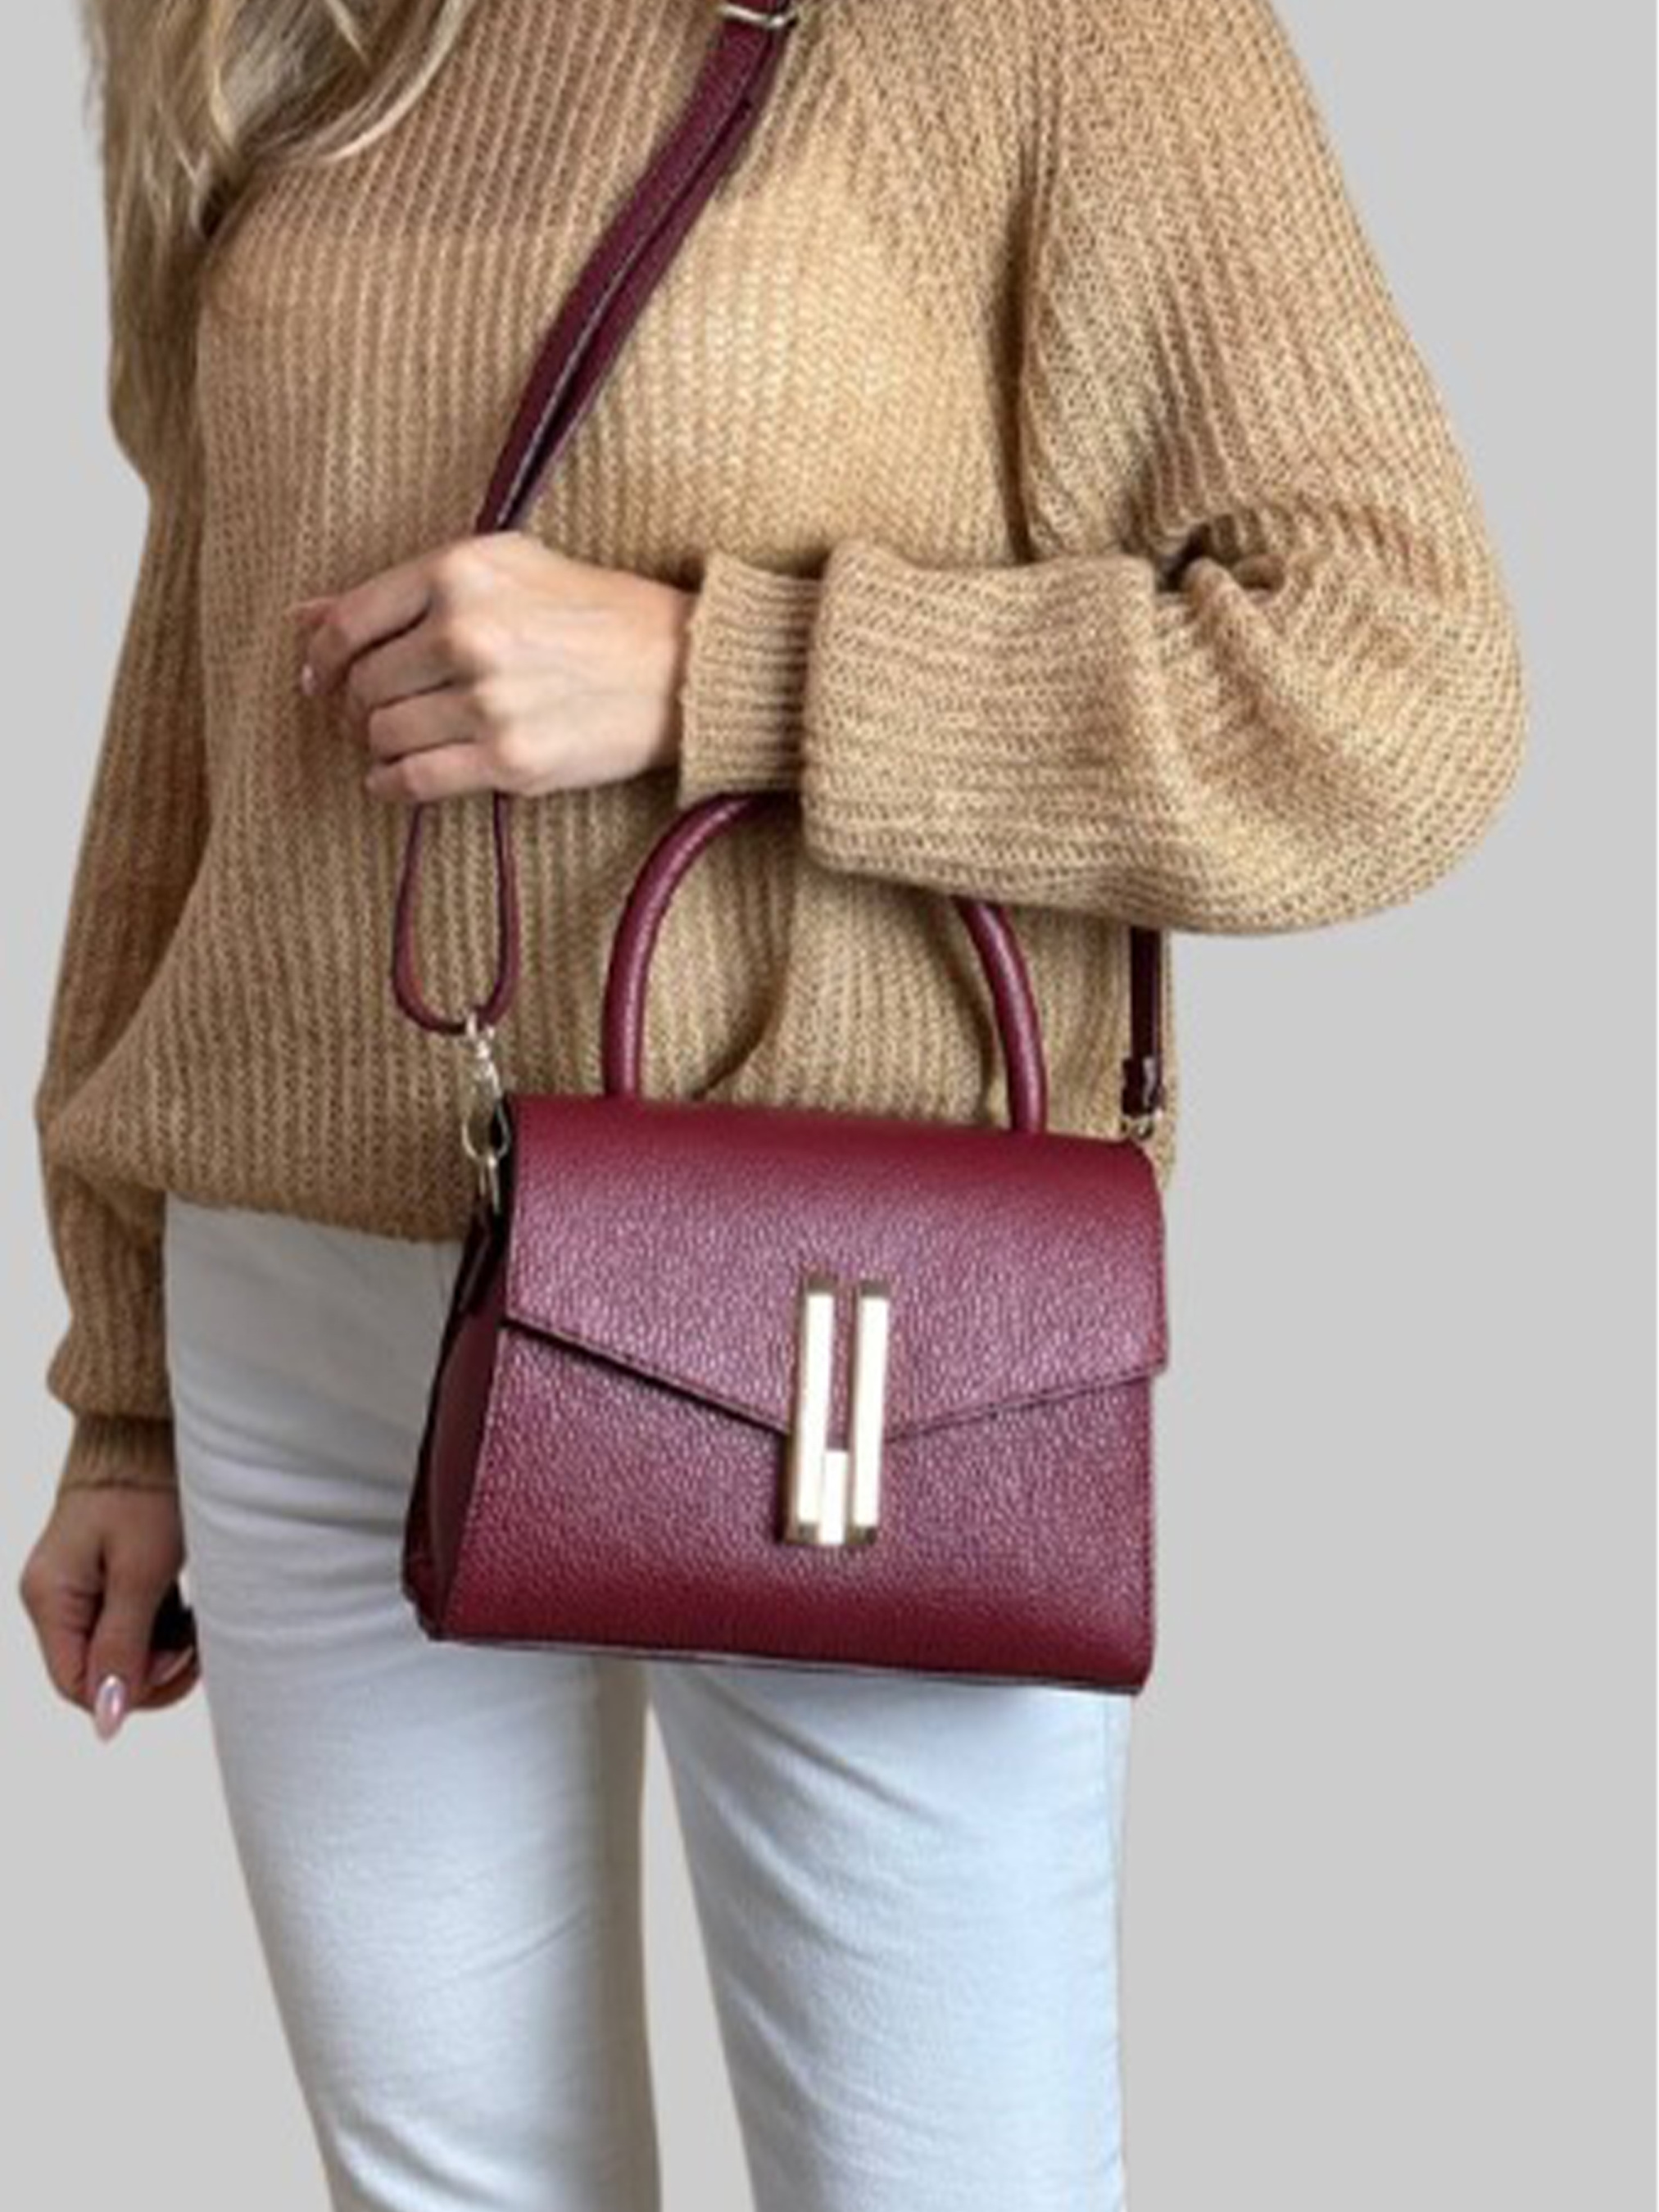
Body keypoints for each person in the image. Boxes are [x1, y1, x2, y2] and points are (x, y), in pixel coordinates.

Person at [16, 2, 1527, 2208]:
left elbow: (1394, 688)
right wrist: (131, 1388)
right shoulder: (297, 32)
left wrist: (721, 668)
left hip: (841, 1323)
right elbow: (194, 721)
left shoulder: (1042, 34)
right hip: (307, 1314)